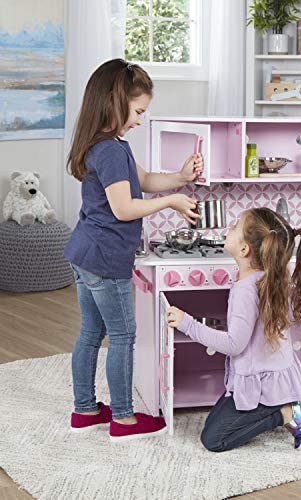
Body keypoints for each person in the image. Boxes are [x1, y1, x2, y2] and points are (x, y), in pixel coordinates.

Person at [64, 58, 203, 442]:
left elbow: (143, 180)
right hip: (106, 259)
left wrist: (179, 176)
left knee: (92, 331)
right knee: (123, 334)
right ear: (115, 101)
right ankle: (124, 419)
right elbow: (125, 208)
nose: (140, 120)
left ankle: (85, 408)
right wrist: (173, 200)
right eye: (138, 111)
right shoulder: (109, 151)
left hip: (84, 253)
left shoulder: (109, 146)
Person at [167, 207, 301, 451]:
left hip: (262, 381)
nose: (230, 227)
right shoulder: (270, 277)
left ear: (244, 249)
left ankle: (285, 413)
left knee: (213, 440)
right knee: (215, 423)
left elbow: (233, 344)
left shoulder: (246, 289)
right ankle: (278, 405)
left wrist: (188, 324)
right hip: (270, 374)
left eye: (236, 225)